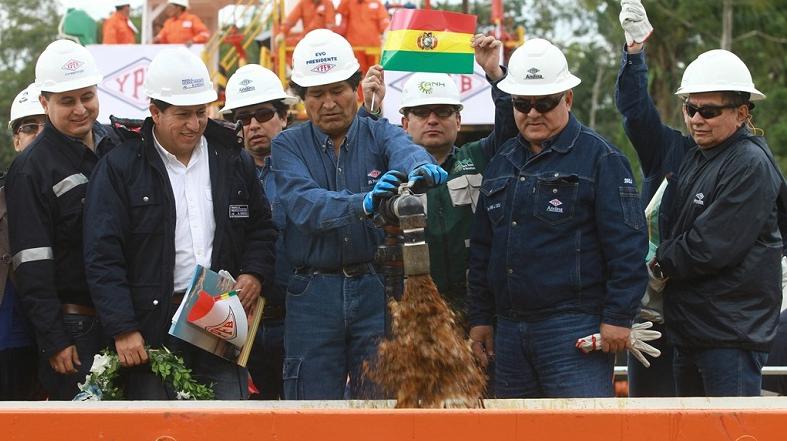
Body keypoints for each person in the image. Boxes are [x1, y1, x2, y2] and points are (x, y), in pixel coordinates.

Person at [83, 48, 276, 400]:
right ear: (155, 112)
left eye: (201, 113)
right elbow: (102, 254)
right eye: (182, 114)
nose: (194, 124)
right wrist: (123, 328)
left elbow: (261, 227)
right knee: (159, 430)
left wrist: (254, 272)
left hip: (220, 322)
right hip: (151, 331)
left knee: (226, 428)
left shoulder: (233, 160)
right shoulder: (121, 168)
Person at [467, 38, 648, 398]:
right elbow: (483, 250)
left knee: (580, 432)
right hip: (509, 331)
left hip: (572, 329)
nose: (532, 113)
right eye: (522, 103)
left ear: (567, 98)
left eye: (545, 103)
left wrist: (618, 317)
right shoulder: (502, 162)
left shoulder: (601, 159)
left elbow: (628, 246)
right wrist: (481, 319)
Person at [618, 7, 783, 398]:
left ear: (742, 113)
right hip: (688, 328)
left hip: (729, 335)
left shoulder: (749, 164)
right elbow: (636, 116)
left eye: (709, 111)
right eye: (690, 108)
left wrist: (656, 266)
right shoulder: (688, 154)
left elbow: (711, 246)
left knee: (728, 430)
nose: (696, 119)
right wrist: (633, 55)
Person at [273, 29, 444, 400]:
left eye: (338, 90)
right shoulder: (287, 145)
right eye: (317, 94)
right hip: (312, 293)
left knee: (382, 403)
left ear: (356, 89)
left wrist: (420, 166)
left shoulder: (378, 132)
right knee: (310, 409)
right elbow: (304, 205)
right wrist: (363, 203)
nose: (329, 102)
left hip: (374, 288)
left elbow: (405, 149)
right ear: (303, 100)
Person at [358, 35, 514, 316]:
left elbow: (512, 130)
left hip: (478, 306)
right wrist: (370, 109)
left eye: (443, 111)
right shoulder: (388, 169)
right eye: (421, 112)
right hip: (409, 308)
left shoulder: (481, 156)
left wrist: (494, 74)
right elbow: (360, 149)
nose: (432, 119)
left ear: (458, 120)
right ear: (405, 123)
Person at [5, 39, 118, 400]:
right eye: (67, 101)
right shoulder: (31, 169)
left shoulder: (115, 145)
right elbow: (31, 263)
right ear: (44, 102)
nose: (80, 109)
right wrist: (55, 339)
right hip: (75, 327)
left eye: (87, 96)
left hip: (124, 320)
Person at [219, 64, 298, 399]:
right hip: (244, 321)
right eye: (242, 118)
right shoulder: (222, 176)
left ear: (283, 115)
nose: (252, 125)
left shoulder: (308, 170)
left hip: (300, 318)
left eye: (263, 114)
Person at [0, 84, 46, 401]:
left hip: (66, 334)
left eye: (47, 126)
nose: (39, 135)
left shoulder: (92, 188)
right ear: (17, 139)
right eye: (29, 128)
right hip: (10, 337)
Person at [336, 0, 389, 75]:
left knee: (374, 74)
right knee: (358, 75)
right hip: (355, 47)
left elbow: (384, 24)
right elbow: (343, 22)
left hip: (373, 48)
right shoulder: (348, 2)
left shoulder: (377, 3)